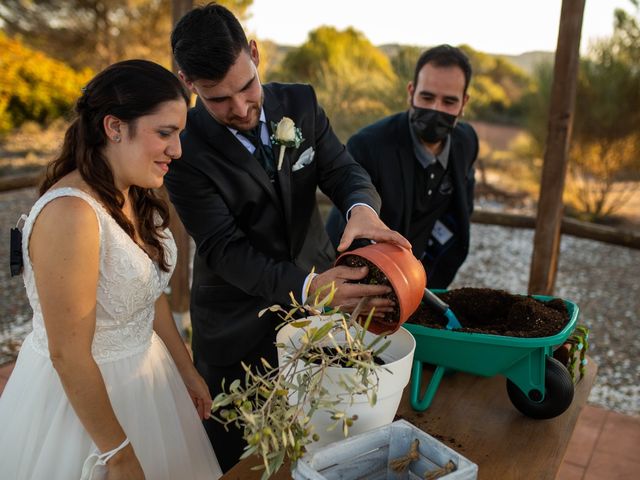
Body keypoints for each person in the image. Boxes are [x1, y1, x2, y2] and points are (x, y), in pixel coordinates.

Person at [166, 3, 411, 471]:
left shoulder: (300, 103)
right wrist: (309, 290)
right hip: (237, 324)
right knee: (235, 458)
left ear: (254, 53)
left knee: (321, 438)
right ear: (187, 82)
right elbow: (223, 247)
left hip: (324, 309)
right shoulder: (182, 146)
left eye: (246, 87)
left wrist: (361, 208)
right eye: (219, 100)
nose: (239, 109)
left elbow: (342, 170)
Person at [0, 60, 222, 479]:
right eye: (165, 133)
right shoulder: (72, 214)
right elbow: (68, 354)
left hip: (151, 382)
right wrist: (117, 454)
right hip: (86, 407)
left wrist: (186, 370)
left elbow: (145, 290)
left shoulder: (132, 193)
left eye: (179, 134)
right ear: (114, 127)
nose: (177, 150)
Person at [326, 45, 479, 288]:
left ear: (464, 103)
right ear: (411, 92)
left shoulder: (467, 142)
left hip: (424, 277)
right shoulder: (369, 146)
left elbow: (460, 212)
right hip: (363, 278)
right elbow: (348, 232)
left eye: (449, 101)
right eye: (427, 97)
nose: (436, 110)